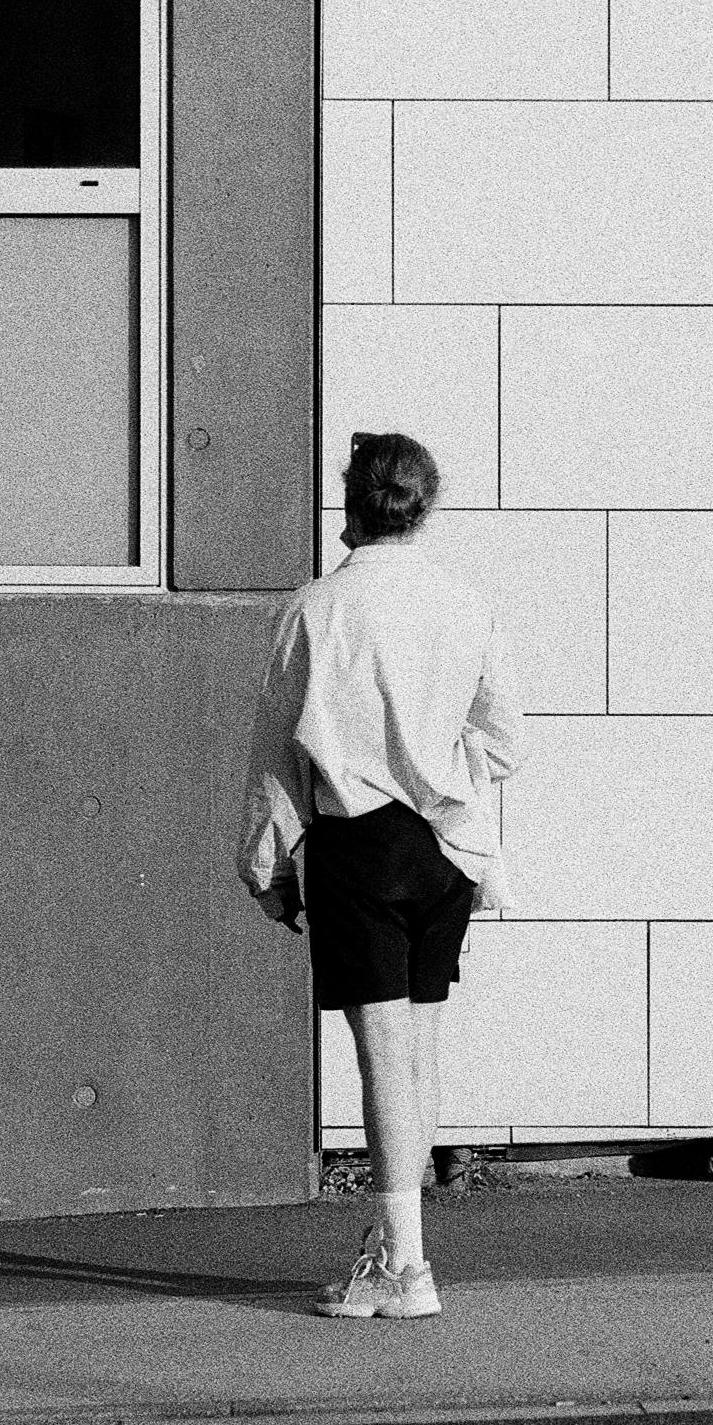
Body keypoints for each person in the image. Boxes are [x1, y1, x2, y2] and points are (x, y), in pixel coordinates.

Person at [241, 432, 523, 1319]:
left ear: (350, 503)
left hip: (357, 850)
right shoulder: (465, 605)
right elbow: (505, 741)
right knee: (419, 1054)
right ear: (424, 504)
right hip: (445, 851)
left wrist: (265, 864)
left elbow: (276, 754)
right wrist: (437, 767)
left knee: (382, 1062)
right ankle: (394, 1250)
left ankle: (407, 1266)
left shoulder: (314, 610)